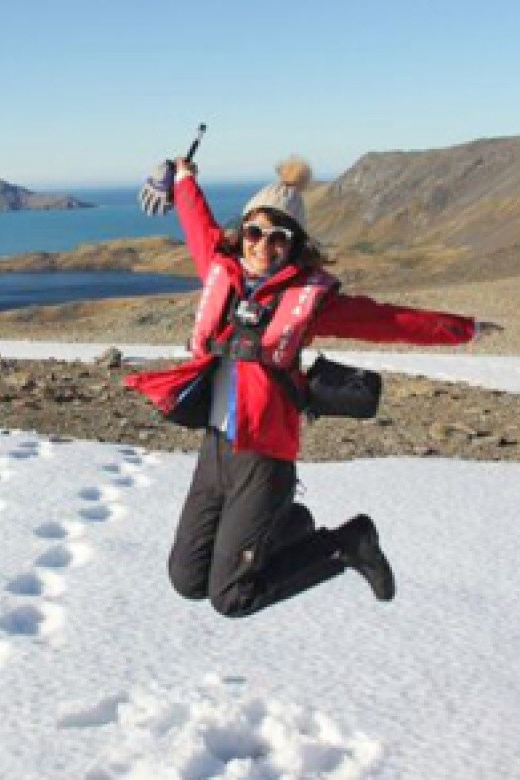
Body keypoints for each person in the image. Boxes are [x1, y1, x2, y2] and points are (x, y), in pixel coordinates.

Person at [125, 155, 500, 619]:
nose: (264, 245)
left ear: (295, 246)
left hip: (264, 456)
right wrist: (182, 176)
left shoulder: (309, 301)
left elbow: (389, 320)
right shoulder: (221, 271)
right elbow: (197, 221)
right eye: (256, 233)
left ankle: (345, 545)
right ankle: (285, 524)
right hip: (215, 449)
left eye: (279, 238)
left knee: (231, 597)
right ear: (242, 234)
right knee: (187, 580)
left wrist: (463, 329)